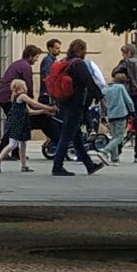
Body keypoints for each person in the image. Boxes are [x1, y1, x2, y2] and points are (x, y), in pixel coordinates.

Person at [48, 40, 103, 175]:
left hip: (64, 102)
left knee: (76, 136)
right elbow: (89, 82)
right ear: (81, 50)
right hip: (75, 104)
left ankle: (89, 165)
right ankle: (57, 166)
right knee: (66, 136)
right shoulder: (78, 64)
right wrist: (100, 97)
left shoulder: (65, 61)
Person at [0, 77, 36, 172]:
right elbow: (35, 104)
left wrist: (45, 111)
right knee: (12, 144)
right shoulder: (22, 96)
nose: (26, 87)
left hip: (21, 123)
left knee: (23, 144)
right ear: (21, 87)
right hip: (17, 123)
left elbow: (30, 111)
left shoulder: (16, 97)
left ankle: (24, 166)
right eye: (24, 85)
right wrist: (48, 108)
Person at [99, 68, 134, 161]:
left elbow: (101, 104)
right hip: (121, 114)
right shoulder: (120, 88)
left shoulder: (105, 89)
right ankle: (105, 150)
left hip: (111, 116)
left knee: (113, 136)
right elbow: (128, 101)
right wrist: (132, 111)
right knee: (119, 137)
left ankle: (115, 157)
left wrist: (102, 116)